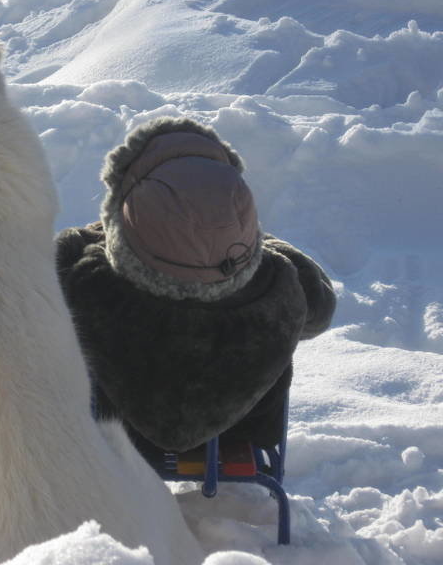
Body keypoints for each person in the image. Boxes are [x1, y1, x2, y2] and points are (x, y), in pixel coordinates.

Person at [55, 117, 336, 465]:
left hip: (114, 434)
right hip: (239, 438)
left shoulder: (85, 277)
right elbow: (321, 311)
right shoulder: (280, 281)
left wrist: (105, 233)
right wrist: (259, 248)